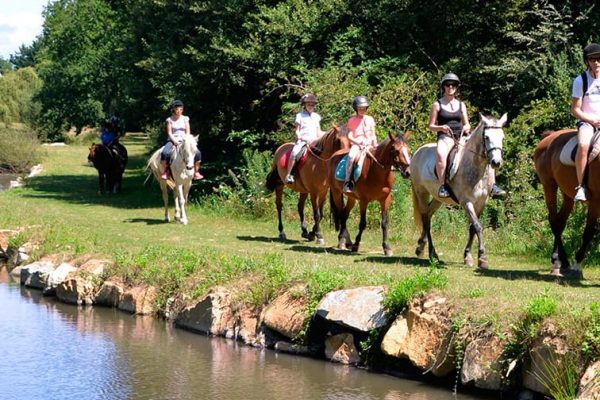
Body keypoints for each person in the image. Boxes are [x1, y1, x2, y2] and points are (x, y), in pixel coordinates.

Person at [428, 73, 505, 198]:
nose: (450, 87)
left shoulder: (461, 105)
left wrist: (466, 127)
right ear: (444, 87)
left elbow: (467, 123)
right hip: (445, 137)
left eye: (453, 85)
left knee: (485, 152)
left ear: (456, 87)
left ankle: (493, 185)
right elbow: (431, 126)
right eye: (448, 85)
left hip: (462, 136)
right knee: (441, 155)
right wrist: (441, 127)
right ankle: (443, 186)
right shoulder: (437, 105)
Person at [571, 43, 600, 202]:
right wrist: (592, 120)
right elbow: (575, 109)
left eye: (598, 59)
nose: (596, 62)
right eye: (592, 59)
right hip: (587, 122)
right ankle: (580, 186)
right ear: (587, 61)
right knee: (583, 145)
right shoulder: (580, 81)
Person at [285, 93, 323, 184]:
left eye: (312, 104)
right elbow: (297, 130)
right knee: (294, 153)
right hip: (303, 141)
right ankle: (289, 174)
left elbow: (319, 131)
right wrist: (299, 136)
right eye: (308, 104)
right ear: (304, 105)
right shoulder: (300, 116)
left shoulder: (317, 116)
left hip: (315, 141)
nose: (310, 106)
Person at [160, 100, 203, 180]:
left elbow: (188, 131)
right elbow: (169, 133)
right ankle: (166, 171)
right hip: (173, 140)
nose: (179, 111)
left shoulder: (185, 119)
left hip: (184, 140)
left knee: (198, 153)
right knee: (164, 153)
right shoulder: (169, 120)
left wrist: (186, 140)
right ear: (173, 109)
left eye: (181, 109)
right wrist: (175, 141)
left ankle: (196, 172)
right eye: (177, 109)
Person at [343, 95, 377, 193]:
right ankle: (347, 181)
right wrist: (358, 142)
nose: (362, 110)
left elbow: (373, 133)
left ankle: (388, 182)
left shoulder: (370, 119)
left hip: (369, 144)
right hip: (357, 145)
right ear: (356, 109)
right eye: (360, 108)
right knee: (351, 157)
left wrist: (375, 144)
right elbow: (349, 136)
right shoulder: (352, 120)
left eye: (364, 108)